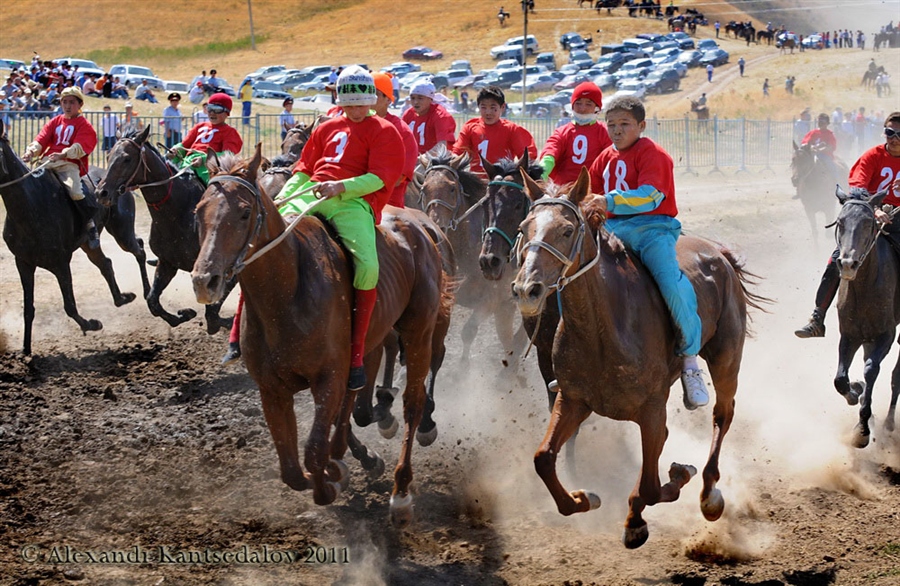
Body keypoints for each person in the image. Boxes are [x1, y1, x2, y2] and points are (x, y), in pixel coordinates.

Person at [225, 67, 404, 394]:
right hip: (312, 191)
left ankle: (357, 354)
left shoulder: (384, 130)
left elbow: (380, 177)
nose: (355, 110)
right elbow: (305, 168)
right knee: (264, 239)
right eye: (349, 104)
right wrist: (285, 196)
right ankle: (237, 332)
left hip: (353, 203)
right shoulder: (327, 127)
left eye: (361, 103)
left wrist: (342, 187)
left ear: (371, 101)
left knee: (368, 267)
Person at [587, 95, 708, 410]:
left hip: (653, 230)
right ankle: (578, 359)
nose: (616, 130)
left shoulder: (653, 154)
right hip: (612, 230)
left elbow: (652, 196)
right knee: (577, 277)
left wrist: (608, 202)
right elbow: (591, 194)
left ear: (641, 125)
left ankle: (690, 363)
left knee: (669, 282)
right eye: (611, 124)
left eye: (624, 124)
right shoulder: (602, 159)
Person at [795, 111, 900, 338]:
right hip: (869, 216)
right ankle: (817, 318)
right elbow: (859, 186)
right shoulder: (872, 156)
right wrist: (875, 209)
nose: (894, 138)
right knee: (837, 260)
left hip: (899, 221)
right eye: (890, 132)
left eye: (899, 134)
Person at [20, 87, 100, 249]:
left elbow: (81, 146)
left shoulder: (85, 125)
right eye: (64, 102)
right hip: (48, 161)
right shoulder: (55, 121)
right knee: (28, 185)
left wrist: (62, 155)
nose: (68, 105)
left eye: (72, 102)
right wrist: (31, 152)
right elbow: (42, 139)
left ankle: (90, 225)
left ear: (80, 104)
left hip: (69, 164)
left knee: (75, 191)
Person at [451, 85, 537, 177]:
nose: (488, 112)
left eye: (493, 108)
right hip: (476, 183)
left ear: (502, 107)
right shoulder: (469, 127)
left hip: (502, 183)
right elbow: (457, 153)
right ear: (478, 107)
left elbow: (528, 158)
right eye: (483, 107)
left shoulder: (512, 129)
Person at [539, 81, 611, 185]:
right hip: (563, 192)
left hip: (594, 193)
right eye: (578, 103)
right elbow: (550, 154)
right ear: (572, 106)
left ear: (597, 108)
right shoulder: (562, 132)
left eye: (588, 104)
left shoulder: (605, 132)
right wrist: (541, 173)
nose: (582, 108)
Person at [168, 93, 242, 186]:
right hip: (187, 163)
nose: (212, 113)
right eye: (209, 108)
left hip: (209, 169)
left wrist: (203, 160)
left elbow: (227, 157)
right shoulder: (199, 126)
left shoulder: (230, 132)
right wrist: (175, 150)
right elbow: (184, 145)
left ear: (226, 113)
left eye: (217, 110)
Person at [372, 72, 417, 208]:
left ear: (388, 100)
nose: (368, 98)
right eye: (366, 93)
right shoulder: (355, 125)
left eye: (375, 94)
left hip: (387, 206)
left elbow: (397, 179)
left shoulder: (401, 131)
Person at [401, 81, 457, 155]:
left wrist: (422, 159)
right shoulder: (408, 114)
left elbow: (442, 146)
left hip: (435, 161)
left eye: (420, 98)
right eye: (412, 98)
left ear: (430, 99)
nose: (415, 102)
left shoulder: (441, 116)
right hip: (414, 159)